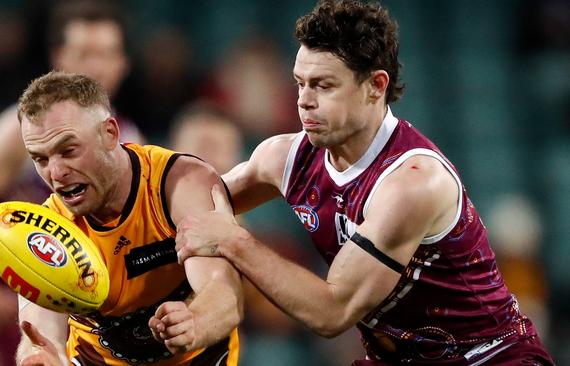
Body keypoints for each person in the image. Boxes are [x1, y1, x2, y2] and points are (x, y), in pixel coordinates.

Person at [173, 1, 555, 364]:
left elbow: (331, 311)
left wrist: (232, 239)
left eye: (323, 86)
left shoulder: (413, 183)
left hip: (490, 358)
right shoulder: (283, 156)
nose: (303, 101)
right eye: (299, 83)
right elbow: (192, 201)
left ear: (376, 85)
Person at [0, 1, 143, 365]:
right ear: (59, 58)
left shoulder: (130, 139)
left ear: (123, 64)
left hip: (81, 323)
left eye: (106, 54)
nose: (96, 66)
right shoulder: (20, 131)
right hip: (11, 322)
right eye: (84, 53)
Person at [15, 71, 243, 365]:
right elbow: (40, 330)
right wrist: (42, 355)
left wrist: (195, 321)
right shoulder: (44, 230)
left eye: (68, 151)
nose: (56, 173)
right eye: (41, 159)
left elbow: (223, 292)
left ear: (110, 133)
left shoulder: (179, 184)